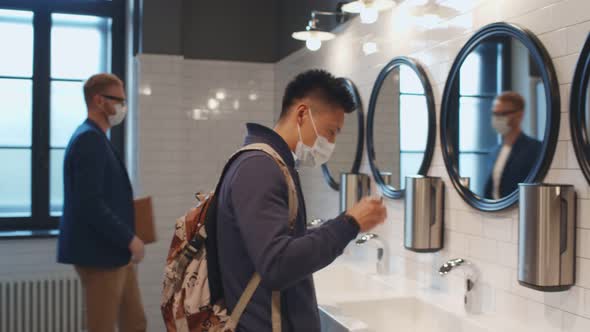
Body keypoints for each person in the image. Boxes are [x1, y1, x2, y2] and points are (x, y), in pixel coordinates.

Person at [216, 69, 387, 331]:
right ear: (302, 113)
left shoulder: (273, 164)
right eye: (331, 132)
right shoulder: (259, 168)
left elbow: (278, 243)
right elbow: (277, 264)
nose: (330, 143)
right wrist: (349, 223)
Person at [57, 73, 147, 332]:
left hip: (115, 252)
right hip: (100, 254)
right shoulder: (89, 139)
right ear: (99, 101)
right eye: (118, 100)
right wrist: (129, 239)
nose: (123, 107)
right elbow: (89, 203)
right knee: (102, 326)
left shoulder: (97, 138)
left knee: (135, 322)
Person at [484, 91, 542, 199]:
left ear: (519, 114)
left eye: (502, 114)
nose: (497, 118)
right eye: (494, 113)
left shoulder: (535, 150)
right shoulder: (494, 152)